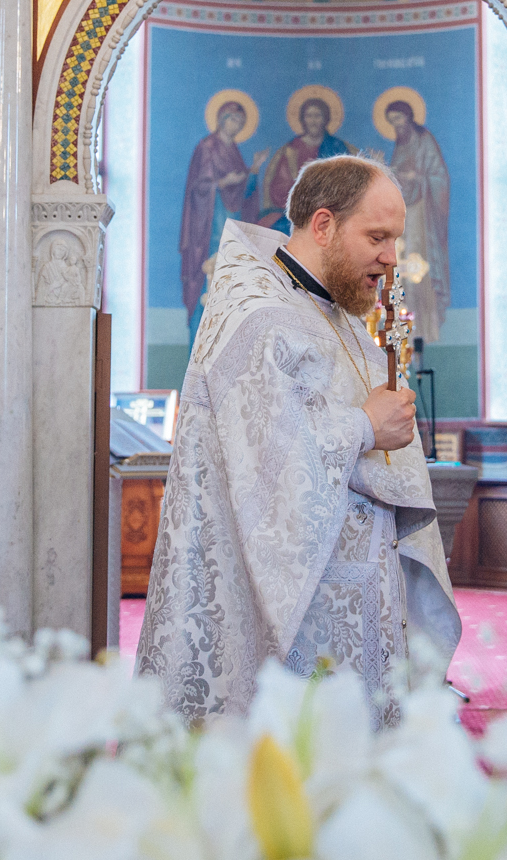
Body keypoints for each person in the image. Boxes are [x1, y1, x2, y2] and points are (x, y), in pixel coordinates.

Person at [136, 155, 460, 724]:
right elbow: (262, 458)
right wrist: (365, 426)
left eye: (396, 239)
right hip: (298, 614)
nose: (392, 258)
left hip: (361, 596)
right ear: (325, 225)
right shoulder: (257, 314)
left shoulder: (336, 314)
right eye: (377, 237)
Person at [180, 100, 257, 336]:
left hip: (230, 222)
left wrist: (252, 171)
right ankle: (199, 340)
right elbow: (198, 187)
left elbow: (242, 194)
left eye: (241, 122)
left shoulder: (234, 150)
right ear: (222, 119)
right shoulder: (207, 147)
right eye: (233, 119)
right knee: (207, 282)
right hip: (209, 227)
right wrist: (223, 182)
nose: (237, 125)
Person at [384, 100, 449, 341]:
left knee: (418, 267)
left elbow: (439, 176)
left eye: (398, 119)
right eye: (392, 121)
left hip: (422, 212)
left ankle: (424, 329)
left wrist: (416, 177)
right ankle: (404, 329)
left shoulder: (424, 140)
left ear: (409, 117)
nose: (396, 125)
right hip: (405, 214)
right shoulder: (400, 144)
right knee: (401, 268)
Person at [258, 98, 349, 232]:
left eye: (317, 116)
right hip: (296, 212)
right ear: (303, 119)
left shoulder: (337, 147)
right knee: (276, 228)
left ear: (325, 119)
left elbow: (347, 182)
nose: (313, 121)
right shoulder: (291, 150)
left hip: (331, 211)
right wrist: (301, 187)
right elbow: (279, 188)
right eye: (309, 116)